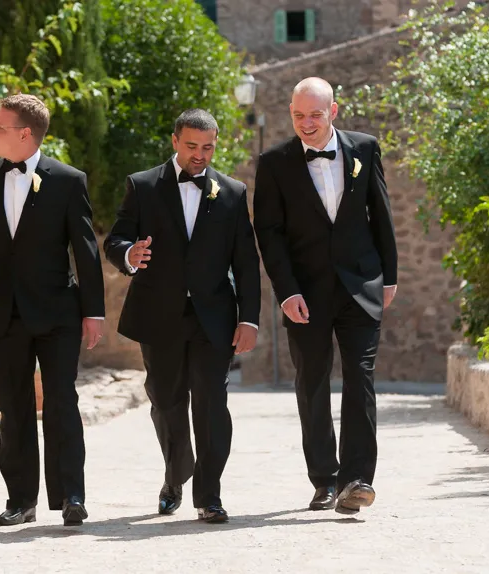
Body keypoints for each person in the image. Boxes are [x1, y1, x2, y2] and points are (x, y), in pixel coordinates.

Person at [0, 94, 105, 526]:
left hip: (58, 314)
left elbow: (86, 250)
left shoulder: (69, 180)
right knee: (13, 407)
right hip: (2, 314)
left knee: (61, 403)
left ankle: (71, 496)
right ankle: (20, 500)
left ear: (25, 134)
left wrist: (94, 311)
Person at [104, 109, 261, 523]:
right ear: (175, 141)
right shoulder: (142, 186)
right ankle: (176, 476)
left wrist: (250, 319)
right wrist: (129, 255)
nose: (200, 155)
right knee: (166, 401)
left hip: (214, 319)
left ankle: (209, 496)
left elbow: (245, 262)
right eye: (192, 146)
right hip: (159, 315)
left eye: (207, 147)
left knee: (211, 405)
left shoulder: (231, 192)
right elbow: (116, 238)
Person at [253, 77, 398, 514]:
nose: (307, 123)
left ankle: (357, 478)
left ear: (333, 112)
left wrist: (388, 276)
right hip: (305, 293)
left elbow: (382, 215)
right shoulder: (274, 162)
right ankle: (325, 479)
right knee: (312, 382)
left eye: (315, 114)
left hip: (361, 285)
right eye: (299, 115)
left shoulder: (365, 148)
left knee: (360, 377)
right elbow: (270, 234)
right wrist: (285, 292)